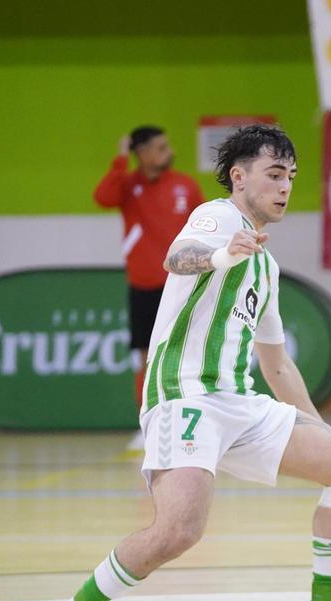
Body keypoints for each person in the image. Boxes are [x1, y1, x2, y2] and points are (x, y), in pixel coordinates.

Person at [28, 125, 331, 601]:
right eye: (274, 174)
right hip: (184, 394)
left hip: (238, 402)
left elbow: (278, 365)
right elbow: (176, 257)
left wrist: (317, 427)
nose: (284, 187)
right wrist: (223, 254)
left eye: (290, 177)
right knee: (178, 532)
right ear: (239, 176)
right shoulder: (218, 216)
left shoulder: (266, 267)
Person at [93, 125, 203, 409]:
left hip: (183, 282)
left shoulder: (186, 185)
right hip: (143, 284)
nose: (170, 152)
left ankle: (189, 411)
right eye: (161, 148)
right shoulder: (128, 186)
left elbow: (204, 230)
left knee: (188, 351)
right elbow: (103, 197)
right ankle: (149, 417)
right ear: (141, 153)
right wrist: (120, 159)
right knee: (148, 355)